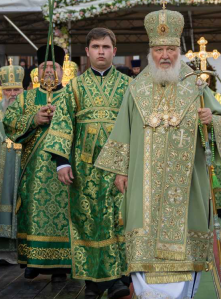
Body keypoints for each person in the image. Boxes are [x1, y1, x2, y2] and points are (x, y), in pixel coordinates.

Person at [93, 7, 221, 299]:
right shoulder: (136, 87)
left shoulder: (195, 85)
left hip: (187, 186)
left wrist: (210, 120)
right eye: (159, 50)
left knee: (185, 246)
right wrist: (120, 169)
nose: (164, 55)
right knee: (143, 240)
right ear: (150, 51)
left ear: (178, 51)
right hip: (143, 184)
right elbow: (123, 130)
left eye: (170, 49)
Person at [46, 28, 132, 299]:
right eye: (95, 47)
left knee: (119, 220)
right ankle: (93, 283)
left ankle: (120, 279)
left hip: (120, 166)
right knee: (88, 222)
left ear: (114, 51)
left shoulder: (129, 86)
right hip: (85, 168)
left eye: (106, 47)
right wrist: (62, 162)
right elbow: (62, 124)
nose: (101, 52)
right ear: (87, 52)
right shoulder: (74, 87)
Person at [3, 48, 71, 280]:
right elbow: (9, 122)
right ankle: (33, 259)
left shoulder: (73, 94)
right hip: (33, 170)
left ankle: (63, 263)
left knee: (65, 214)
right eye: (44, 67)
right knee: (33, 212)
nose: (49, 71)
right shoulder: (26, 97)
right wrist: (34, 119)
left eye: (54, 67)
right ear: (36, 72)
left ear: (63, 71)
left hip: (64, 168)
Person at [0, 64, 25, 265]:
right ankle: (3, 254)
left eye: (16, 89)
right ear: (1, 90)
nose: (12, 94)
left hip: (24, 166)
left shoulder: (31, 110)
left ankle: (25, 253)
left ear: (23, 89)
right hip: (0, 166)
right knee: (2, 205)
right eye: (8, 90)